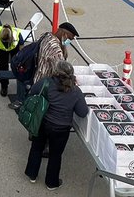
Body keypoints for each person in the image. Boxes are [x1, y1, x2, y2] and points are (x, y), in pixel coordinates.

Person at [24, 60, 88, 189]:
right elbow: (82, 112)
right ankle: (51, 183)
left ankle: (32, 174)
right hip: (61, 128)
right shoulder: (76, 91)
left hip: (43, 122)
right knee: (55, 155)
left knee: (36, 147)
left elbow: (32, 92)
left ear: (56, 72)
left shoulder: (47, 82)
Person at [10, 21, 79, 110]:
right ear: (64, 34)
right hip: (43, 84)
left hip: (36, 75)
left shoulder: (47, 36)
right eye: (69, 38)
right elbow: (61, 72)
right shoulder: (55, 50)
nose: (69, 42)